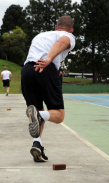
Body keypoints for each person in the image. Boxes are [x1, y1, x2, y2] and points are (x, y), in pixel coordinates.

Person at [21, 16, 75, 162]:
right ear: (71, 29)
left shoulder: (40, 35)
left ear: (56, 26)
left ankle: (37, 144)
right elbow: (61, 42)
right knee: (58, 115)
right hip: (44, 68)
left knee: (37, 113)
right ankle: (39, 115)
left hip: (27, 71)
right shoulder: (67, 35)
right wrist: (49, 59)